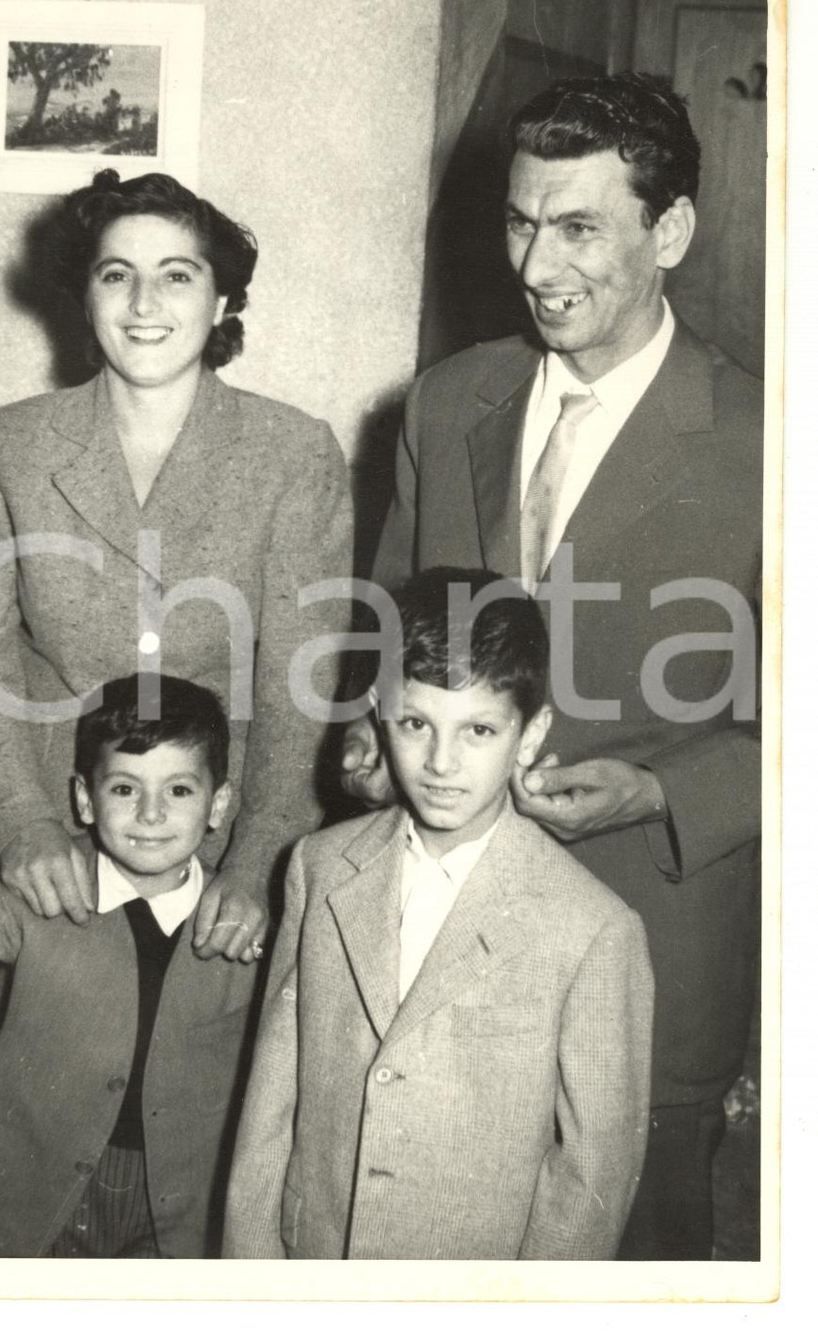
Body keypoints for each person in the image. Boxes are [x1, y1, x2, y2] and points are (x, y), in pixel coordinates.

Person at [342, 74, 761, 1260]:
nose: (535, 262)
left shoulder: (770, 441)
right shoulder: (445, 401)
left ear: (667, 231)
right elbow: (388, 634)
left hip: (652, 944)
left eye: (577, 226)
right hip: (431, 938)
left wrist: (666, 789)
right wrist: (370, 735)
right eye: (520, 221)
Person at [0, 170, 352, 1079]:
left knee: (191, 1120)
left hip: (217, 845)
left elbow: (300, 681)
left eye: (178, 275)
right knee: (26, 1121)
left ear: (224, 297)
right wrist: (21, 825)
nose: (145, 302)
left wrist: (261, 861)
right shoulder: (11, 446)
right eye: (117, 274)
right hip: (51, 831)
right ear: (85, 294)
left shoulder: (293, 454)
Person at [224, 568, 654, 1260]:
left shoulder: (593, 930)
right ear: (377, 715)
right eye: (416, 724)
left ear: (532, 732)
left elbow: (592, 1178)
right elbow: (271, 1099)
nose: (441, 763)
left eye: (479, 730)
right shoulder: (319, 867)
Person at [0, 673, 263, 1258]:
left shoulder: (248, 925)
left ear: (220, 804)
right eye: (125, 789)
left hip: (177, 1211)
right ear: (84, 799)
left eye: (180, 790)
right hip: (24, 1189)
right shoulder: (41, 894)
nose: (151, 814)